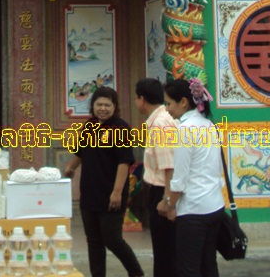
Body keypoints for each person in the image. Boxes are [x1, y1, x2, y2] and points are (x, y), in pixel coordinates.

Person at [64, 86, 144, 277]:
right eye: (99, 104)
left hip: (111, 194)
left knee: (113, 240)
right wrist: (71, 168)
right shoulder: (89, 126)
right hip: (89, 192)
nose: (103, 108)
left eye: (107, 105)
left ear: (114, 107)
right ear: (92, 106)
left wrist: (117, 192)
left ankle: (137, 273)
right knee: (94, 241)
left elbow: (124, 162)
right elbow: (80, 152)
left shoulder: (121, 128)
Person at [163, 78, 225, 277]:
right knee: (208, 266)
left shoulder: (184, 130)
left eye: (168, 104)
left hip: (193, 211)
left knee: (188, 269)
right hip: (215, 206)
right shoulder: (209, 125)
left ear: (183, 102)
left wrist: (170, 205)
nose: (167, 109)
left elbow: (179, 179)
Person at [135, 78, 178, 277]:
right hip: (163, 190)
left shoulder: (160, 123)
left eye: (136, 98)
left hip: (162, 192)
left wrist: (167, 200)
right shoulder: (163, 119)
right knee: (166, 250)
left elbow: (168, 165)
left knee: (164, 252)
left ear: (142, 99)